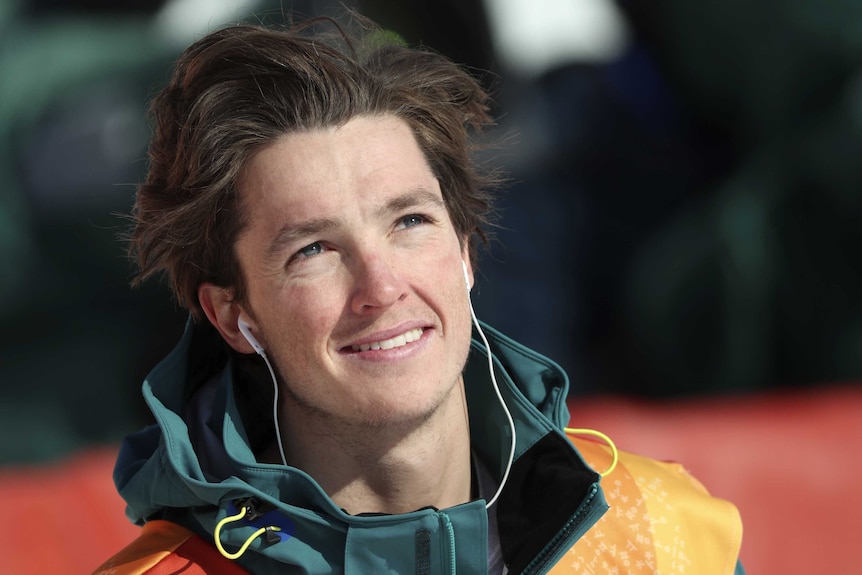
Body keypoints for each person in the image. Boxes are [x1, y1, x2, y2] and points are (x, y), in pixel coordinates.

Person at [93, 13, 744, 575]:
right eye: (313, 250)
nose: (381, 287)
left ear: (464, 250)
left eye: (409, 221)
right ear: (233, 316)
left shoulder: (666, 537)